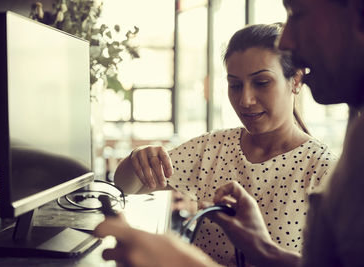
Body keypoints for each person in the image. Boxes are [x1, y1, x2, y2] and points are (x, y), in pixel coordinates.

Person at [94, 0, 364, 266]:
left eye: (261, 82)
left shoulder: (322, 167)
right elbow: (127, 184)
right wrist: (138, 159)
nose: (245, 100)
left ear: (294, 81)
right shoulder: (215, 146)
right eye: (235, 85)